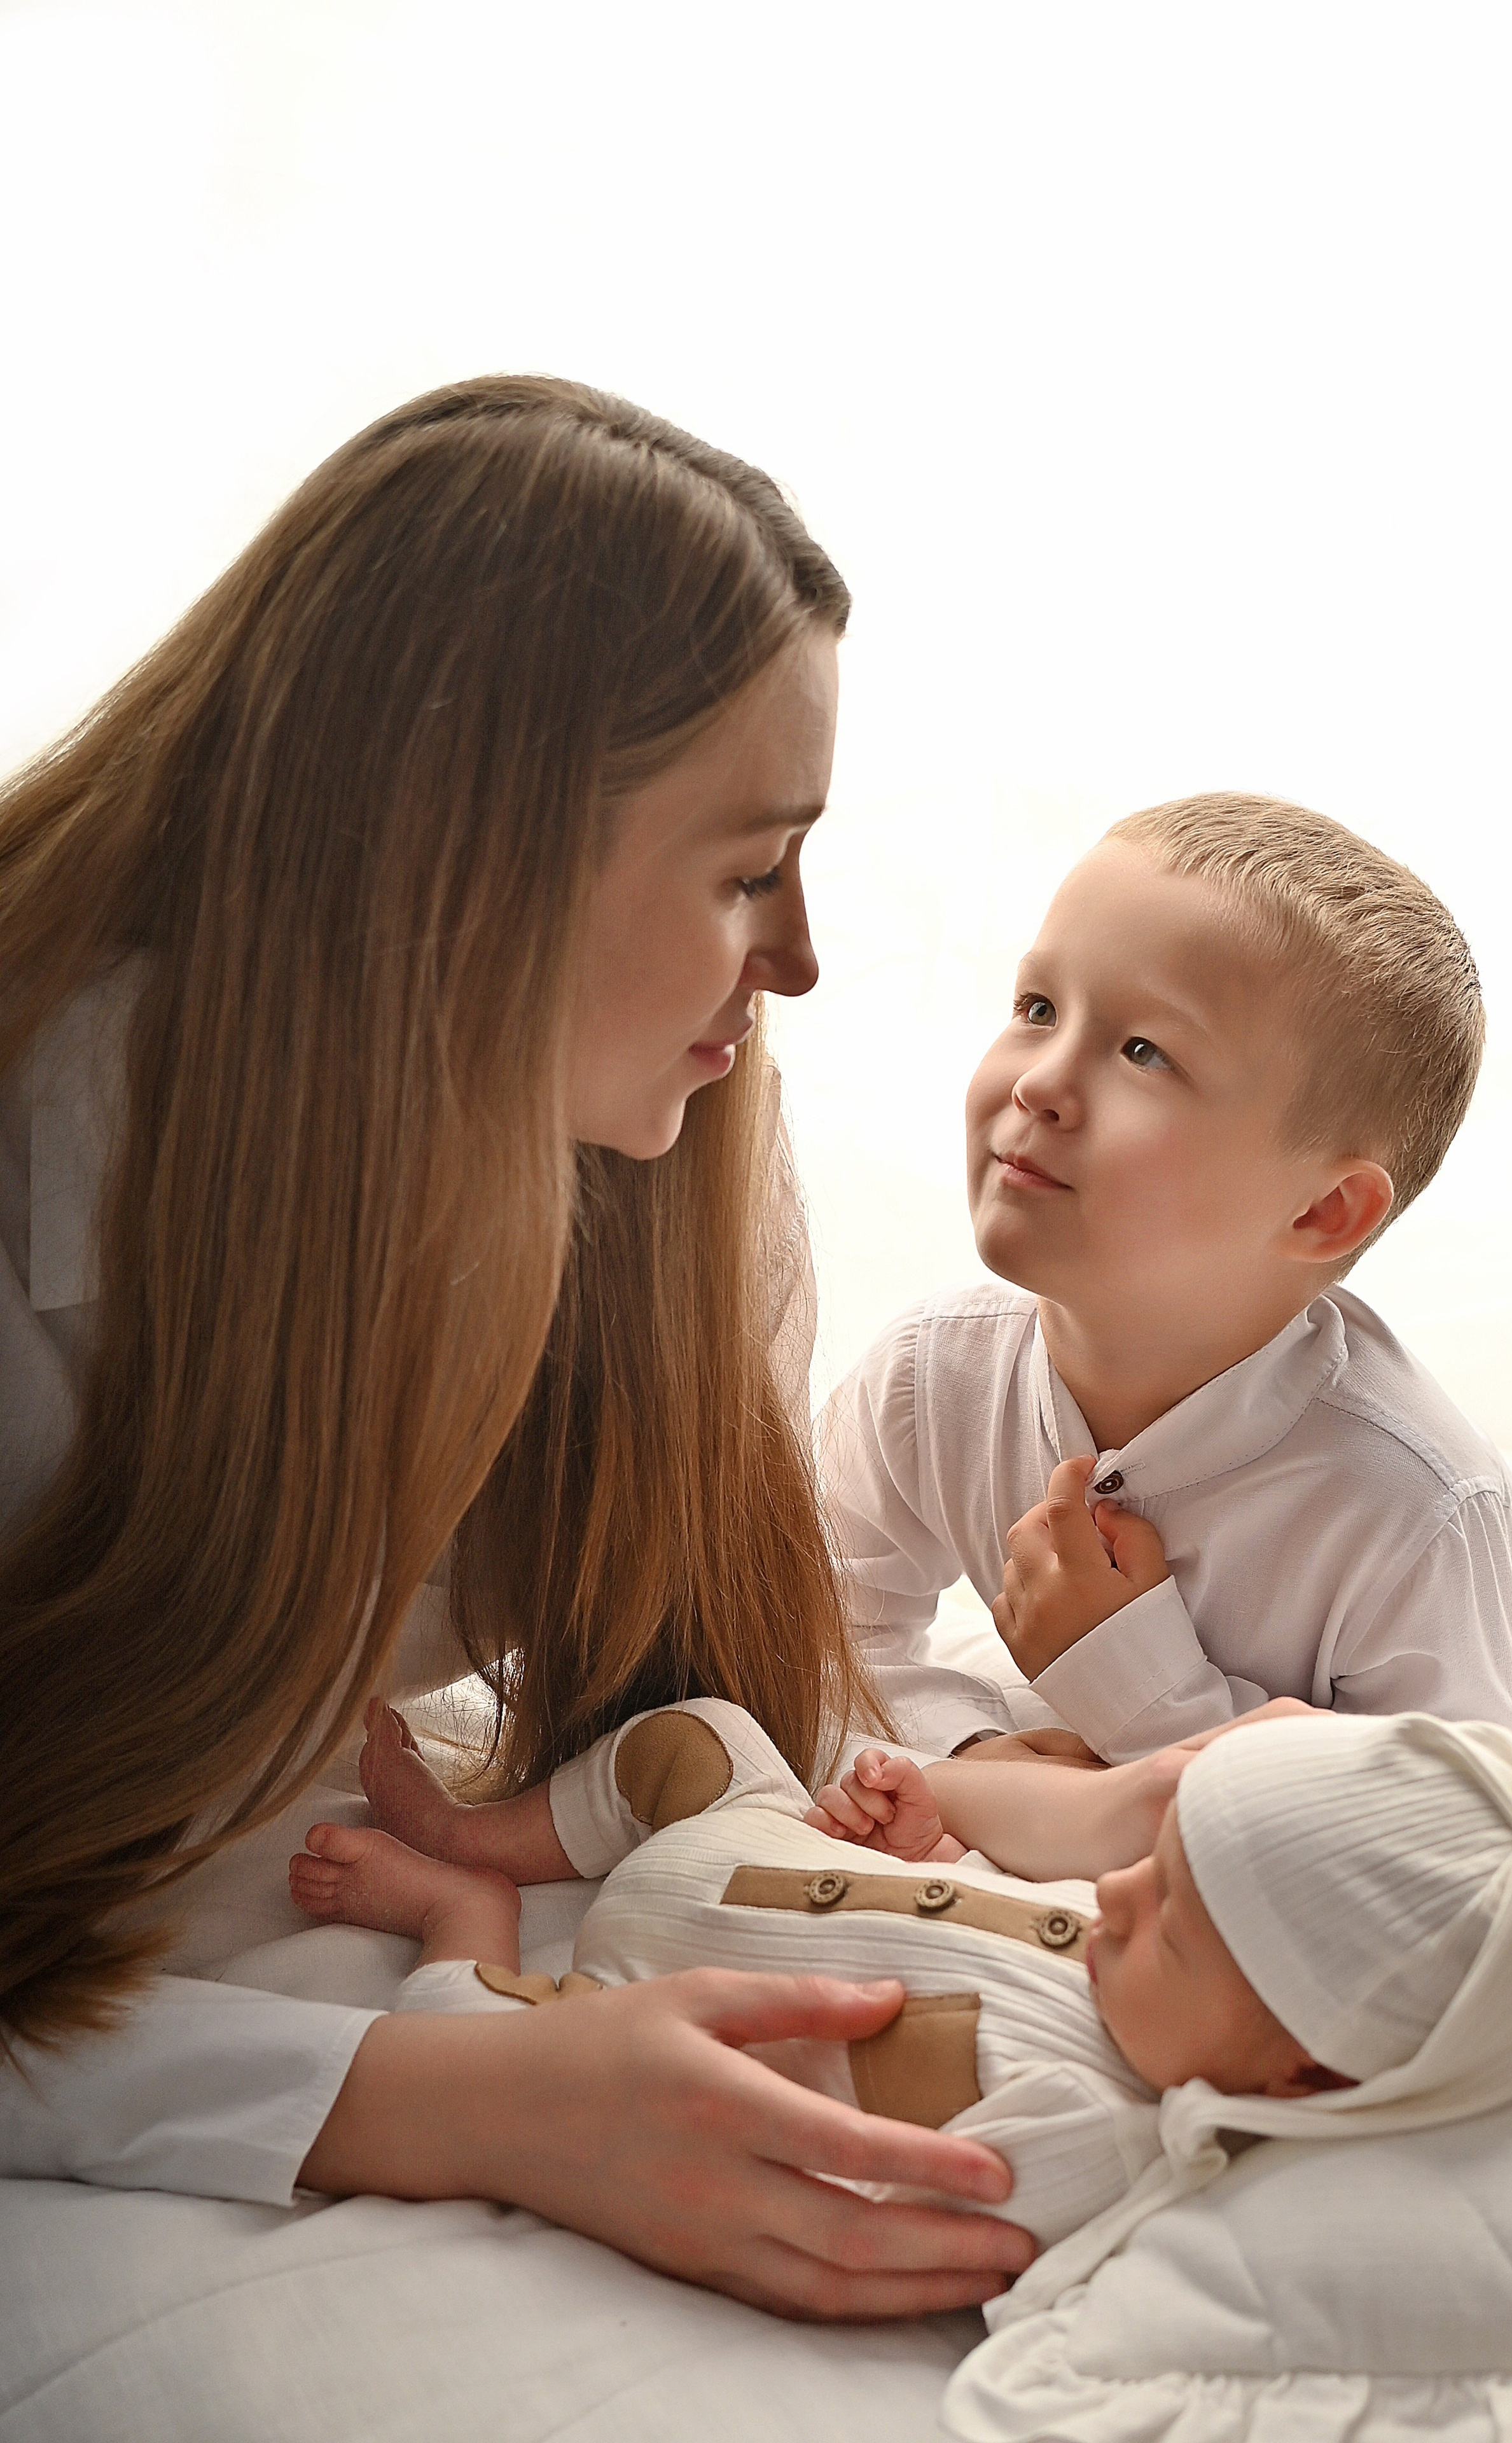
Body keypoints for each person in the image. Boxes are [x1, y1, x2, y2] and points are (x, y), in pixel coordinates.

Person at [0, 375, 1035, 2319]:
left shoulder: (659, 1142)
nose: (799, 955)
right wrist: (437, 2098)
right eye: (747, 867)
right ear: (457, 855)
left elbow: (713, 1708)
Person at [822, 793, 1512, 1764]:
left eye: (1143, 1052)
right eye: (1038, 1008)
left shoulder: (1427, 1520)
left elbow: (1438, 1832)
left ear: (1321, 1212)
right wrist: (973, 1752)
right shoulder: (928, 1380)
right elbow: (819, 1638)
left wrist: (1137, 1692)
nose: (1038, 1081)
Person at [277, 1695, 1512, 2271]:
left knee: (456, 2028)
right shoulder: (1151, 1958)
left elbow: (896, 2204)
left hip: (631, 2011)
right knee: (710, 1734)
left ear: (1299, 2076)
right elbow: (1030, 1868)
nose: (1112, 1896)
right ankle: (478, 1830)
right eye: (1151, 1863)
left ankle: (466, 1906)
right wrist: (919, 1825)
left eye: (1163, 1927)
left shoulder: (1078, 2138)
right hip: (753, 1838)